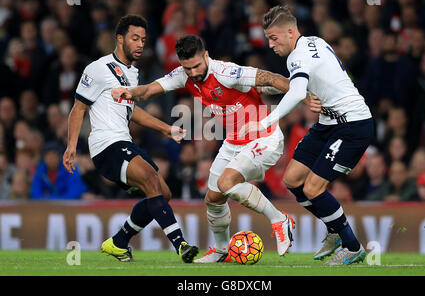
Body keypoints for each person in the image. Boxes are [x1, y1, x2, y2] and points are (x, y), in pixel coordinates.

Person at [112, 34, 322, 263]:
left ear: (206, 56)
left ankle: (279, 219)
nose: (193, 73)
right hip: (233, 141)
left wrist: (304, 97)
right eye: (187, 68)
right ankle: (222, 251)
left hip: (263, 138)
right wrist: (130, 92)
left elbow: (270, 78)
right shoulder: (184, 75)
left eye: (196, 66)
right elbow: (150, 90)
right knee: (213, 198)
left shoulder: (226, 72)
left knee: (227, 183)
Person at [240, 5, 374, 265]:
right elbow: (319, 80)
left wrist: (265, 122)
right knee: (292, 180)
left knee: (313, 187)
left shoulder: (297, 57)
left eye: (274, 38)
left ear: (290, 32)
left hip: (353, 124)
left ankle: (352, 246)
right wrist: (311, 96)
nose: (270, 45)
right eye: (268, 38)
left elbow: (298, 89)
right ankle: (334, 230)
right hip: (328, 122)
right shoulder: (316, 41)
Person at [62, 15, 198, 263]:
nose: (140, 44)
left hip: (124, 142)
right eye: (135, 38)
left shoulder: (132, 74)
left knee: (162, 193)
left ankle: (118, 242)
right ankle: (181, 245)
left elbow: (132, 111)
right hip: (106, 144)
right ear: (120, 38)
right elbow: (78, 108)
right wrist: (71, 145)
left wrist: (165, 129)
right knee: (149, 178)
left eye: (143, 40)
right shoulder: (98, 68)